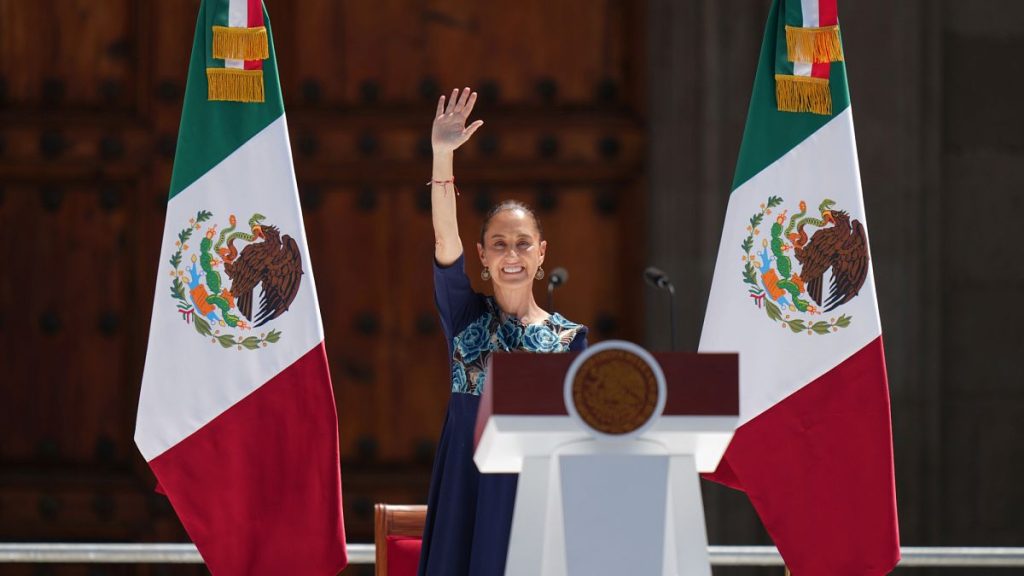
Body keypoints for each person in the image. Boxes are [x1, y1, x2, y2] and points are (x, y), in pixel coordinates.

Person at [417, 87, 589, 576]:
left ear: (541, 254)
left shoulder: (569, 340)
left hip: (537, 496)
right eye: (499, 244)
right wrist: (442, 154)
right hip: (467, 486)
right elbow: (444, 237)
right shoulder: (465, 315)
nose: (511, 255)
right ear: (484, 257)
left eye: (522, 244)